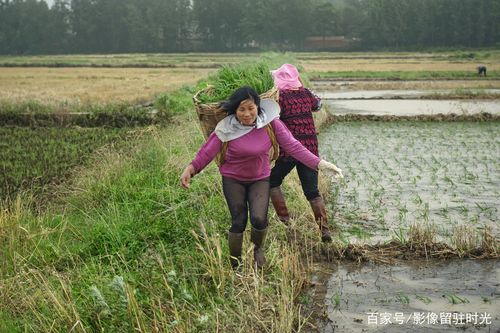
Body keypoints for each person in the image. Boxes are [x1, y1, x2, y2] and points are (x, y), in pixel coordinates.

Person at [180, 86, 342, 270]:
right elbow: (206, 152)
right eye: (241, 109)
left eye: (251, 108)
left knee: (259, 219)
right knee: (239, 221)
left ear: (258, 107)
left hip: (260, 178)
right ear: (235, 110)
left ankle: (258, 250)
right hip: (233, 179)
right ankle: (236, 262)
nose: (247, 114)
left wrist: (319, 164)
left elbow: (294, 146)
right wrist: (191, 169)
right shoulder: (226, 128)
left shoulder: (270, 123)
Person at [269, 63, 338, 242]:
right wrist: (305, 88)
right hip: (309, 149)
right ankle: (325, 231)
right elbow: (318, 105)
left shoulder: (279, 97)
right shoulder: (306, 93)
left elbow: (271, 116)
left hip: (290, 149)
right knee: (312, 192)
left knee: (272, 182)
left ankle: (285, 221)